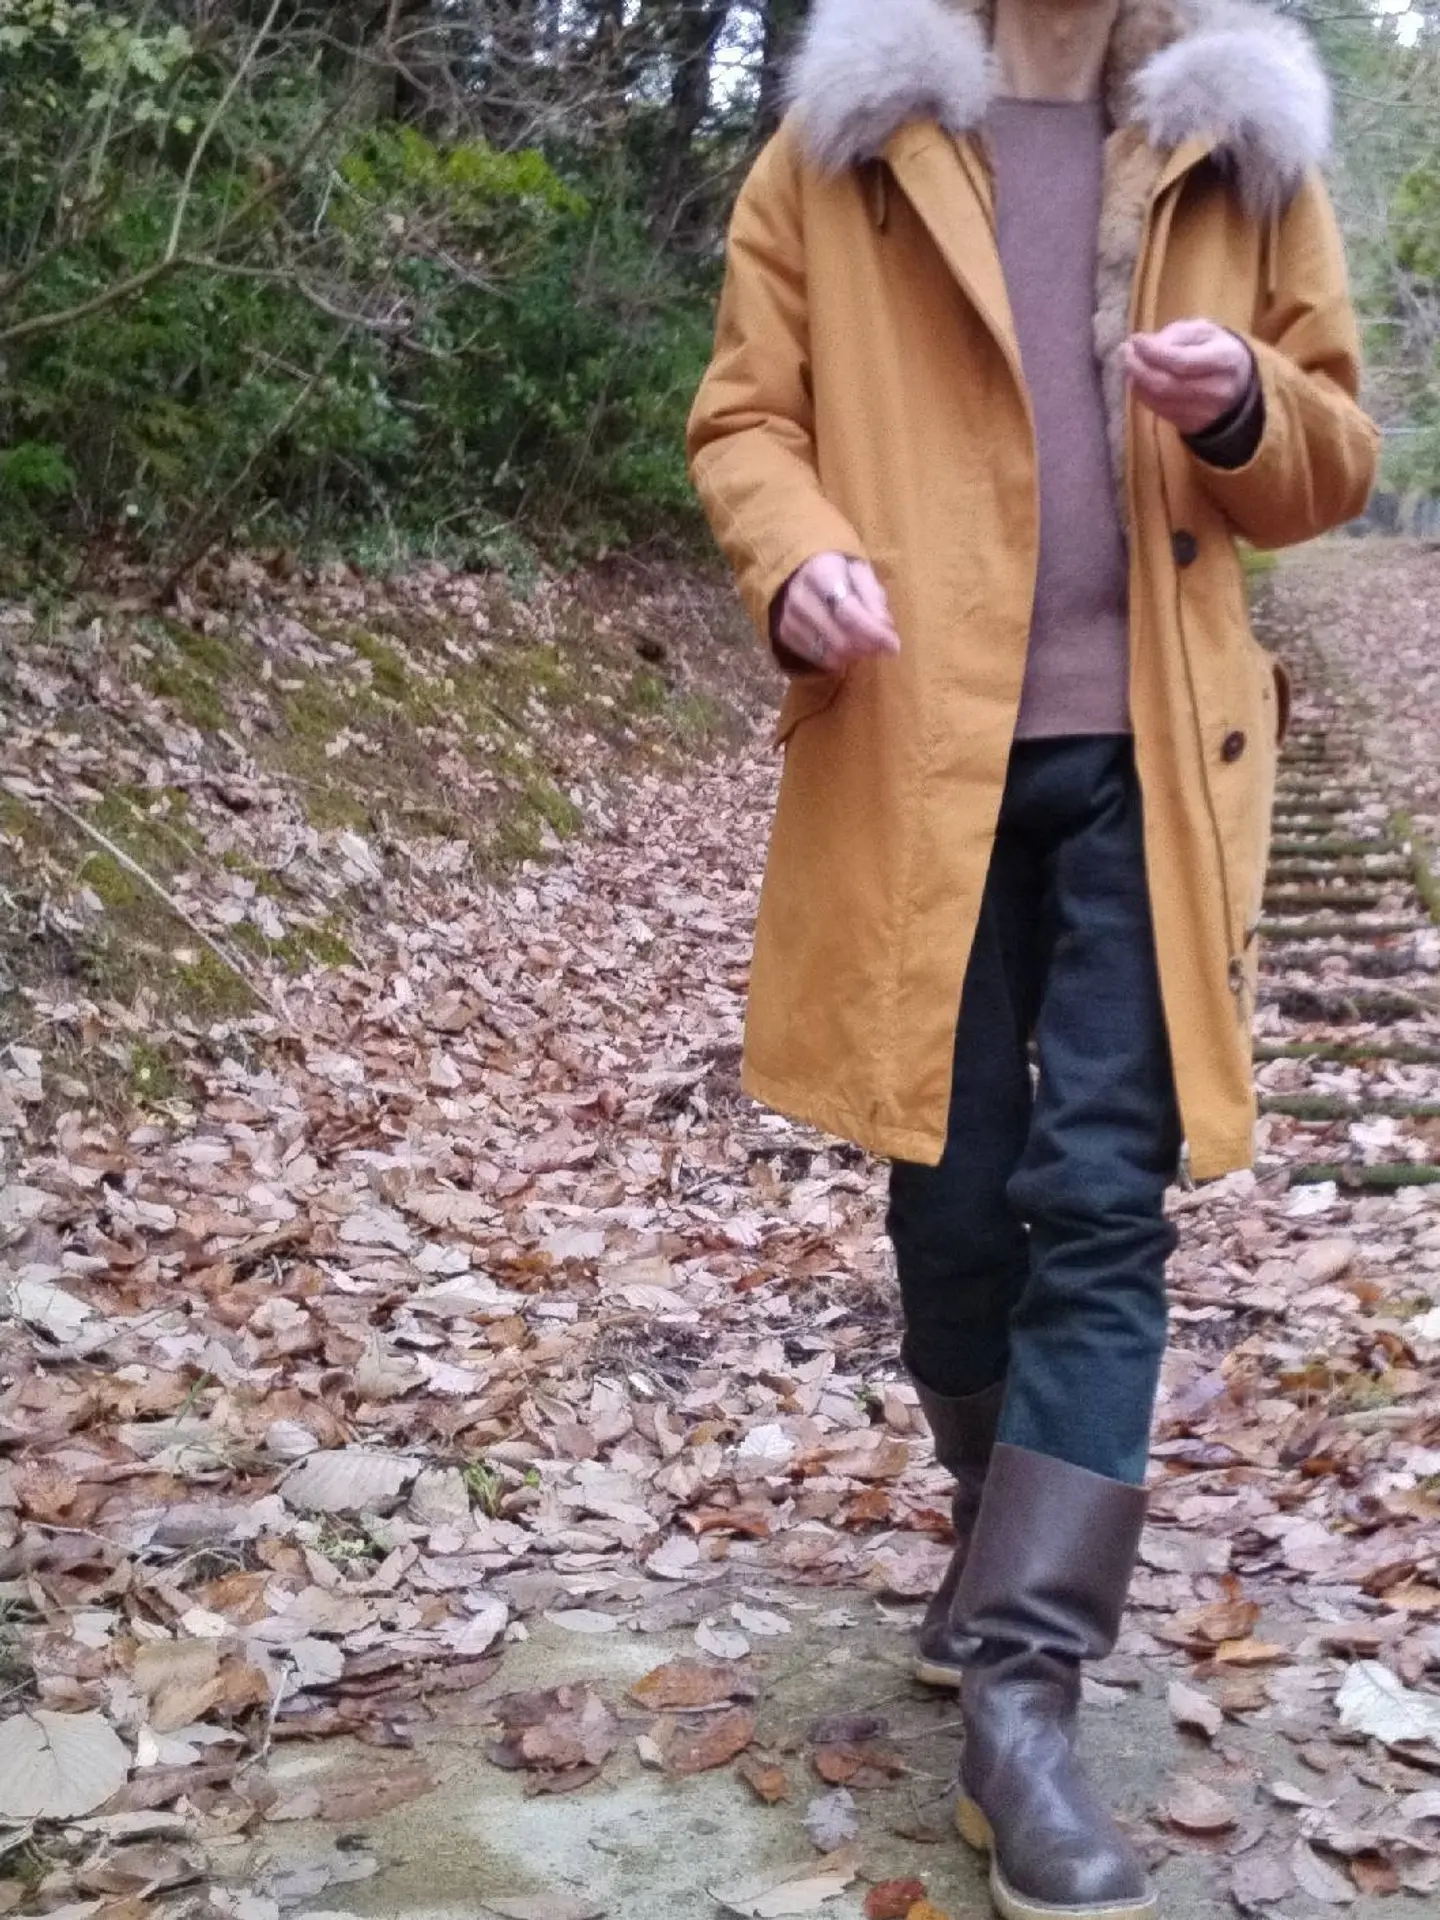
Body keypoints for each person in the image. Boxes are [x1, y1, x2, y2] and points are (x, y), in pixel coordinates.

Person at [687, 1, 1378, 1916]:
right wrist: (795, 553)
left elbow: (1328, 460)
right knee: (952, 1192)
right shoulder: (843, 141)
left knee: (1098, 1204)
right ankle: (997, 1541)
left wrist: (1242, 403)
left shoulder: (1243, 146)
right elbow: (745, 415)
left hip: (1157, 766)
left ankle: (1023, 1692)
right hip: (918, 753)